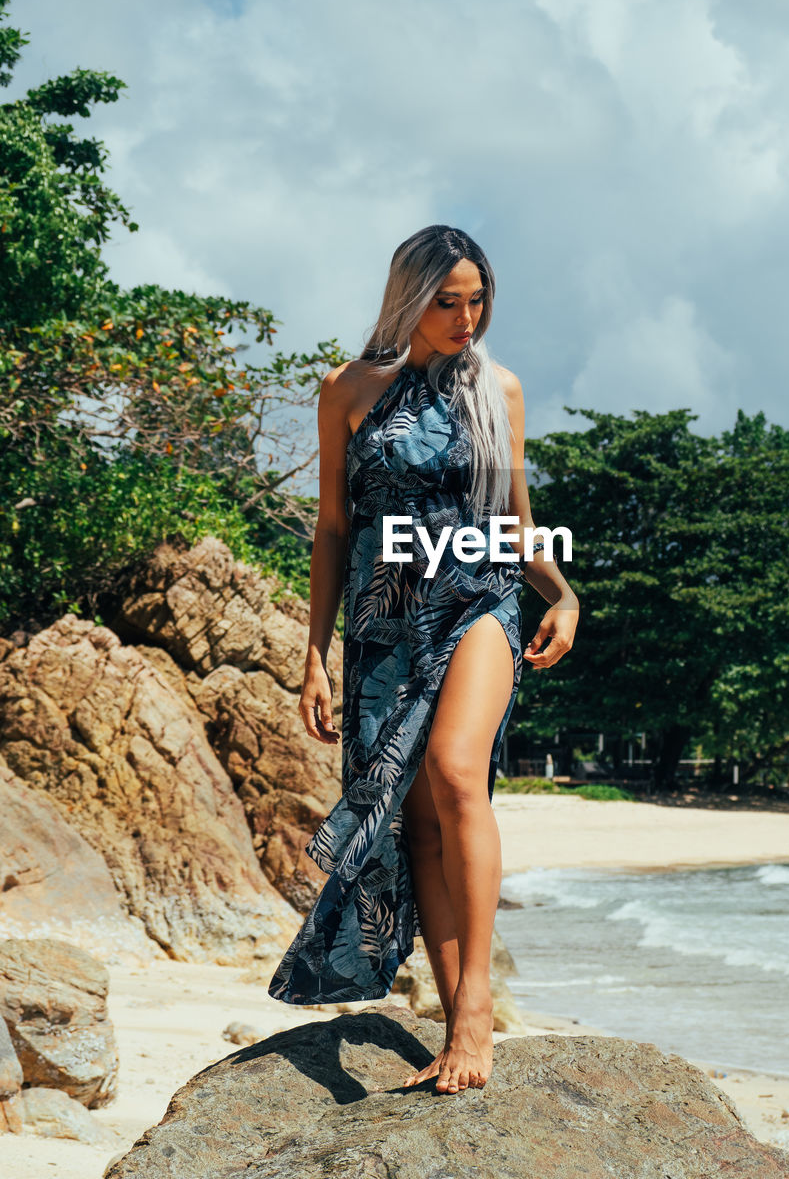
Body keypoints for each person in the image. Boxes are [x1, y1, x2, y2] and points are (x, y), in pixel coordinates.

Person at [267, 225, 579, 1094]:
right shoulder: (348, 390)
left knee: (451, 773)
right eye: (448, 302)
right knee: (417, 824)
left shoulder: (500, 390)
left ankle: (476, 1015)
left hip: (478, 600)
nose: (467, 319)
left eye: (478, 301)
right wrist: (315, 654)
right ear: (409, 297)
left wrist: (564, 593)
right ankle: (452, 1024)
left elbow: (515, 524)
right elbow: (333, 528)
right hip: (383, 622)